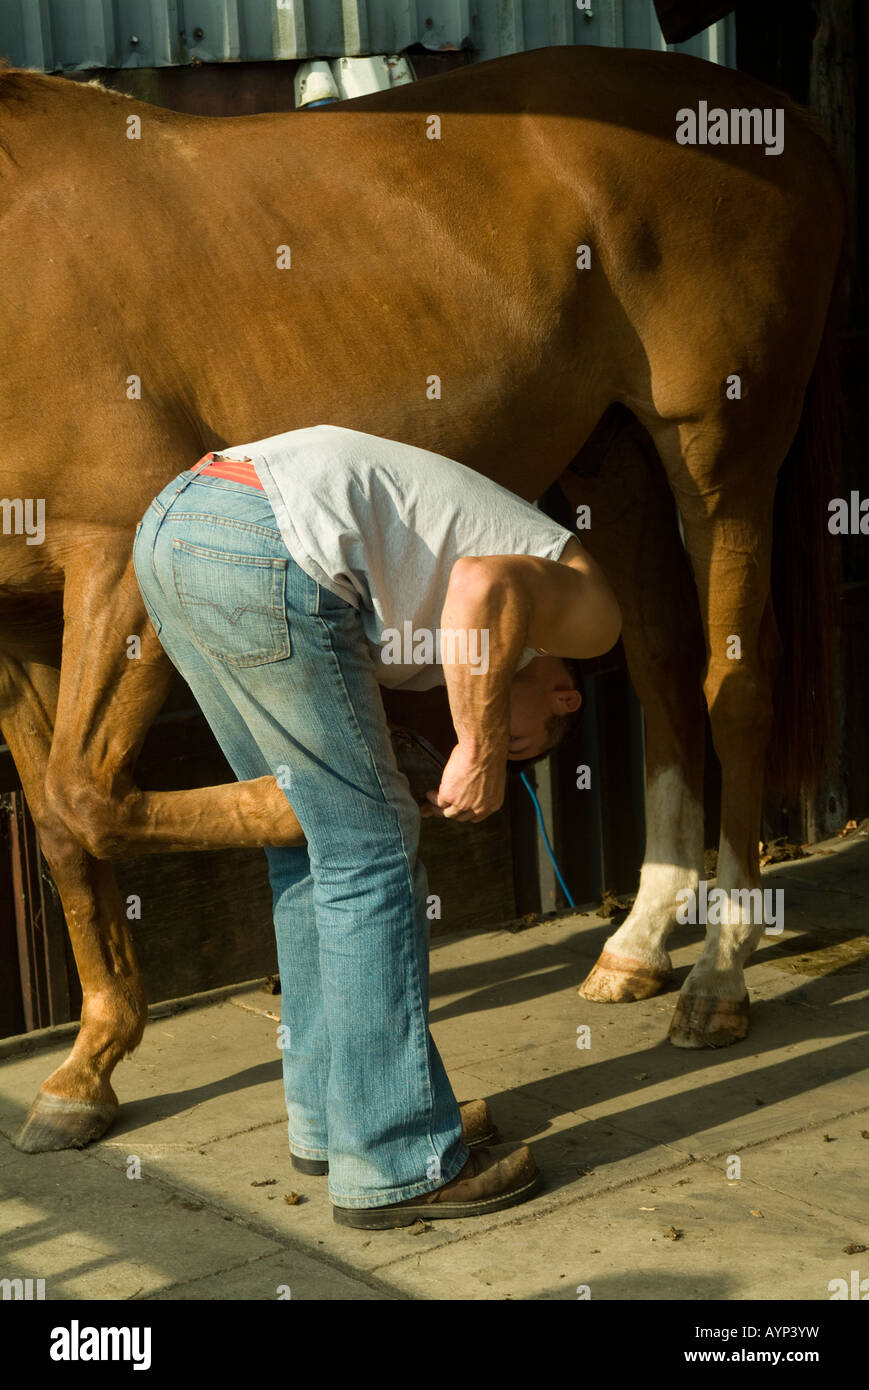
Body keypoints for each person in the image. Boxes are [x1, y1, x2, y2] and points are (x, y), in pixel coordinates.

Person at [132, 424, 621, 1230]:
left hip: (177, 528)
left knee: (309, 841)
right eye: (529, 737)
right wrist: (483, 742)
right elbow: (478, 584)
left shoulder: (492, 625)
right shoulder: (589, 616)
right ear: (564, 699)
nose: (510, 732)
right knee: (372, 852)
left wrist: (456, 739)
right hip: (259, 539)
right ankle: (397, 1159)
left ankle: (334, 1120)